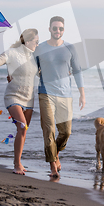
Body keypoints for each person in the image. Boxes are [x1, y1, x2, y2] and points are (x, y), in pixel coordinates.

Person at [0, 28, 39, 175]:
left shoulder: (35, 57)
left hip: (29, 99)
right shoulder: (11, 53)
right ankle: (17, 164)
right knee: (22, 127)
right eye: (36, 42)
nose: (37, 45)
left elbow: (42, 74)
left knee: (23, 131)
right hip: (13, 96)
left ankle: (18, 160)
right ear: (27, 41)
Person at [35, 16, 85, 178]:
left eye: (60, 28)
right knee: (48, 130)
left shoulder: (70, 48)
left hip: (65, 95)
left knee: (66, 132)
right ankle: (53, 167)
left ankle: (55, 154)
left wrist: (82, 94)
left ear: (63, 30)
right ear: (49, 29)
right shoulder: (40, 48)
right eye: (55, 28)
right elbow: (31, 68)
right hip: (45, 93)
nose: (58, 31)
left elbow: (77, 70)